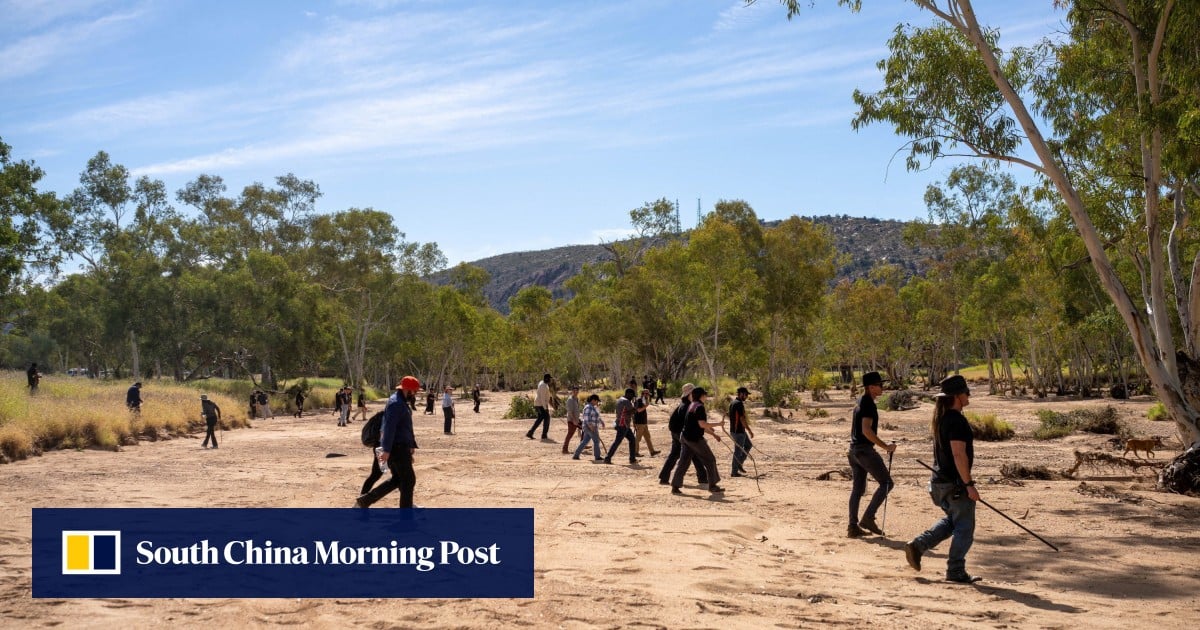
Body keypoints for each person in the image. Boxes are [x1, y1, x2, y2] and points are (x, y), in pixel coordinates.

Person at [904, 375, 980, 584]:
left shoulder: (943, 419)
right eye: (966, 392)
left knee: (953, 521)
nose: (969, 395)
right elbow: (958, 454)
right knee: (964, 527)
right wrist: (969, 484)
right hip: (954, 484)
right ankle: (955, 570)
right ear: (957, 396)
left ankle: (918, 545)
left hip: (939, 483)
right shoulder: (956, 420)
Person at [847, 372, 896, 538]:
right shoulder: (868, 403)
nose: (883, 387)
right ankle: (868, 518)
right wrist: (886, 446)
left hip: (853, 451)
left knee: (857, 489)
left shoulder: (860, 401)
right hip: (864, 451)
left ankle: (852, 526)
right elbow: (866, 430)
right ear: (871, 387)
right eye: (880, 385)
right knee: (887, 483)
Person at [368, 376, 421, 508]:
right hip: (397, 448)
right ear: (408, 390)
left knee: (398, 479)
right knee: (408, 480)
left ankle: (364, 501)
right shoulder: (396, 403)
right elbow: (389, 428)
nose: (415, 394)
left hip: (400, 446)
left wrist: (411, 445)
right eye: (414, 391)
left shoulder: (400, 401)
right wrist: (386, 450)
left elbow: (406, 427)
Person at [670, 387, 723, 494]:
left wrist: (714, 434)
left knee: (683, 462)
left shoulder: (692, 405)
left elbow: (696, 425)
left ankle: (675, 486)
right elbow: (702, 424)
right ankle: (712, 485)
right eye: (705, 395)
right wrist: (718, 424)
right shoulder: (699, 407)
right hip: (694, 439)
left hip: (685, 437)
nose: (706, 397)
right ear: (701, 396)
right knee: (710, 460)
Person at [658, 383, 708, 486]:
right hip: (680, 433)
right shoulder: (688, 406)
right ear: (689, 394)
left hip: (676, 432)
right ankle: (702, 477)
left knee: (677, 454)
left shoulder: (685, 404)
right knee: (693, 453)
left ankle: (664, 477)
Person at [603, 388, 638, 465]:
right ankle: (607, 458)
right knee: (617, 442)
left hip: (622, 424)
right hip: (623, 425)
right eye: (632, 396)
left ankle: (632, 459)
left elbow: (626, 412)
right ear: (628, 394)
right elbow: (631, 411)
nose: (632, 398)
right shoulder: (626, 401)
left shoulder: (620, 399)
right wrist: (635, 406)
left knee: (632, 440)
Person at [729, 386, 755, 478]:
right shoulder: (738, 404)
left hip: (737, 431)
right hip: (738, 432)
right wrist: (750, 430)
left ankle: (739, 464)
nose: (747, 396)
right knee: (738, 451)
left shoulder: (733, 402)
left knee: (748, 445)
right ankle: (734, 471)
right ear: (741, 394)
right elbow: (742, 419)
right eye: (746, 394)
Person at [572, 394, 605, 460]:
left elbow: (596, 416)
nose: (597, 402)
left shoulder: (592, 407)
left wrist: (601, 422)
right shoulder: (589, 407)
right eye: (597, 401)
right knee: (596, 441)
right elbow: (587, 418)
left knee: (585, 441)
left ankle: (576, 455)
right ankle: (597, 456)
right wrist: (591, 427)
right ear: (593, 400)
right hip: (589, 427)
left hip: (590, 427)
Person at [525, 373, 553, 440]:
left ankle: (531, 433)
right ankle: (543, 435)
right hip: (540, 405)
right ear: (546, 379)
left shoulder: (543, 383)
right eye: (549, 379)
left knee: (541, 419)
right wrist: (545, 408)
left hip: (540, 404)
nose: (550, 380)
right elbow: (542, 398)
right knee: (546, 418)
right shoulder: (543, 386)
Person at [561, 386, 582, 454]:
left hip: (577, 419)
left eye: (577, 390)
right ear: (572, 391)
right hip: (571, 420)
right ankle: (564, 449)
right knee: (570, 434)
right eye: (574, 390)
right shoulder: (570, 400)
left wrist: (577, 419)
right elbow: (570, 411)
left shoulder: (576, 399)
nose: (576, 392)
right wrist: (574, 420)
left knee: (584, 429)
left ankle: (583, 444)